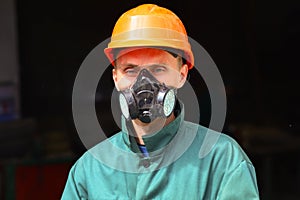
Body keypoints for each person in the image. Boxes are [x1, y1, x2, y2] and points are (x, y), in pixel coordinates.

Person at [62, 3, 259, 199]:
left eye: (158, 69)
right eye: (130, 70)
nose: (144, 83)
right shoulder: (88, 172)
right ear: (116, 78)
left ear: (182, 75)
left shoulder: (222, 161)